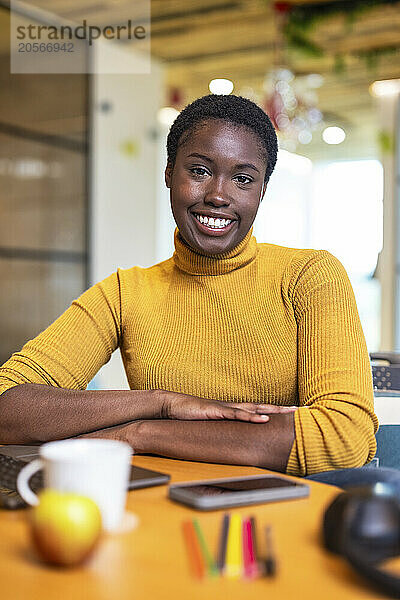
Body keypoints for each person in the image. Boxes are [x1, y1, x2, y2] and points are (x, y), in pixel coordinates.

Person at [0, 93, 380, 481]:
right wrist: (163, 403)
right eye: (199, 171)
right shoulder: (125, 291)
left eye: (243, 179)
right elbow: (6, 407)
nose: (218, 195)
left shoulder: (309, 275)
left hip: (273, 513)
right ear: (169, 173)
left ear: (262, 190)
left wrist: (143, 432)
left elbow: (344, 436)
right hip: (153, 510)